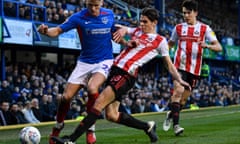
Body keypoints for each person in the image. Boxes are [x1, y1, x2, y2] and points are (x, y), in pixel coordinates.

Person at [51, 7, 190, 144]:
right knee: (111, 115)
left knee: (98, 103)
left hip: (126, 75)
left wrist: (179, 79)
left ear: (154, 23)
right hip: (114, 71)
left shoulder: (160, 41)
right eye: (140, 21)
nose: (141, 24)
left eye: (145, 22)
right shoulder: (136, 31)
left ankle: (70, 140)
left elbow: (169, 64)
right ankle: (147, 127)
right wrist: (123, 29)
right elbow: (116, 26)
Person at [37, 0, 123, 143]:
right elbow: (57, 30)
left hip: (104, 60)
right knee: (66, 97)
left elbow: (115, 32)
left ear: (101, 2)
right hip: (84, 61)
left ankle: (90, 129)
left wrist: (125, 38)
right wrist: (46, 32)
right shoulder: (78, 17)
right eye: (90, 5)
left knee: (92, 88)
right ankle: (58, 126)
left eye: (96, 5)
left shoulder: (109, 14)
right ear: (85, 3)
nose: (93, 9)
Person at [162, 0, 222, 136]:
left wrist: (207, 46)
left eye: (188, 13)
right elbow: (170, 44)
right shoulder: (177, 28)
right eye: (184, 13)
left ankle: (171, 114)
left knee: (183, 100)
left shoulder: (205, 29)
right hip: (179, 66)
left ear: (196, 13)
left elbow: (219, 47)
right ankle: (176, 126)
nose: (186, 15)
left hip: (195, 69)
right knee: (177, 92)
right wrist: (162, 51)